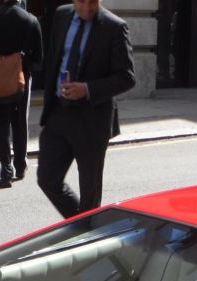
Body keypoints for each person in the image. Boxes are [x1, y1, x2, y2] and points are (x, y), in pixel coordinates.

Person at [37, 0, 135, 219]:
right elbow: (55, 57)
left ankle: (87, 234)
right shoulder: (62, 16)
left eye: (93, 1)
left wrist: (87, 89)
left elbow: (127, 77)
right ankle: (83, 227)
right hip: (60, 113)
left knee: (89, 192)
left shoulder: (114, 27)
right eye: (82, 1)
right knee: (47, 179)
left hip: (93, 120)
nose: (87, 8)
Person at [0, 0, 42, 187]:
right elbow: (39, 58)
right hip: (22, 75)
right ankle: (20, 164)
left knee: (1, 124)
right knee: (20, 121)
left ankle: (6, 168)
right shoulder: (30, 20)